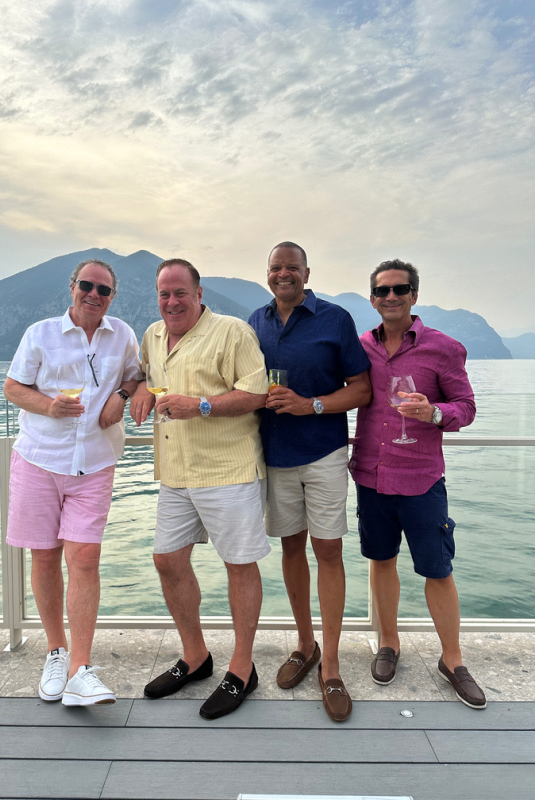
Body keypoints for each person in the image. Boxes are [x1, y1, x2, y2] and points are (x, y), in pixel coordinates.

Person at [130, 258, 270, 720]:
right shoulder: (152, 334)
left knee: (238, 566)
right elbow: (144, 379)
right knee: (167, 560)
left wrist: (203, 405)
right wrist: (140, 392)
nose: (172, 302)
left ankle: (242, 668)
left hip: (227, 468)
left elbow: (257, 394)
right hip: (175, 471)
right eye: (164, 294)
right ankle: (195, 657)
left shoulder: (232, 332)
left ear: (199, 293)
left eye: (180, 293)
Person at [349, 258, 486, 709]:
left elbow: (465, 406)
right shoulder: (361, 347)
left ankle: (453, 659)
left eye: (400, 289)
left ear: (414, 294)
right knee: (381, 560)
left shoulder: (443, 348)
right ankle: (389, 643)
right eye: (383, 291)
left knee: (438, 570)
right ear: (372, 299)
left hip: (422, 479)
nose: (391, 297)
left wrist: (434, 413)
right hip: (371, 476)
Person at [4, 258, 142, 706]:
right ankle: (56, 651)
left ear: (112, 297)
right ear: (72, 287)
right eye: (87, 285)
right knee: (45, 558)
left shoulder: (121, 334)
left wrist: (122, 398)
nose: (94, 295)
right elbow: (12, 387)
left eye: (103, 290)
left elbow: (137, 377)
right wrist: (47, 406)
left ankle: (81, 670)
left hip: (95, 463)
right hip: (40, 459)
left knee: (84, 558)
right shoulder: (40, 333)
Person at [249, 242, 371, 722]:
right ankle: (306, 645)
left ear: (306, 273)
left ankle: (333, 666)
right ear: (268, 273)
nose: (284, 275)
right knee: (290, 549)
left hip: (323, 453)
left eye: (292, 268)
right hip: (275, 456)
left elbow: (361, 388)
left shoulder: (335, 319)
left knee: (329, 552)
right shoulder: (255, 322)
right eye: (276, 268)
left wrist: (311, 404)